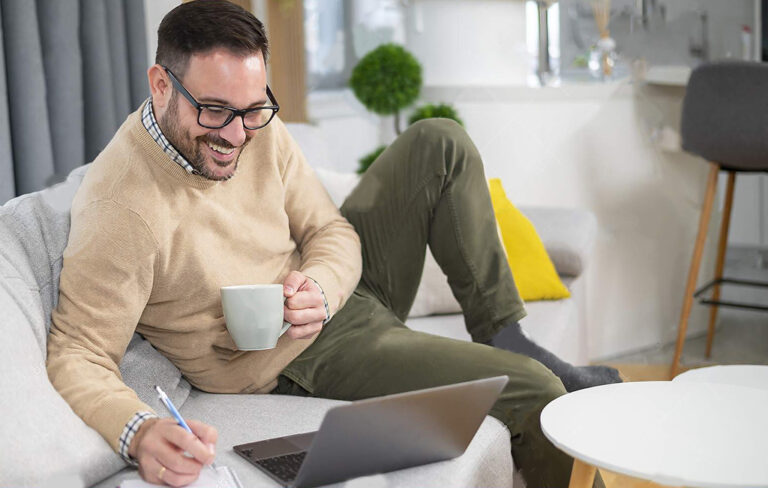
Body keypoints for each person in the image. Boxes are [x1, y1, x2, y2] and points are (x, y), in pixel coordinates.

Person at [46, 1, 616, 487]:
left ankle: (507, 333)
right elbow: (79, 352)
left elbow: (330, 231)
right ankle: (531, 369)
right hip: (300, 357)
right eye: (215, 111)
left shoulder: (252, 124)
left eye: (251, 110)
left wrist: (320, 285)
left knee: (438, 141)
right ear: (160, 83)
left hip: (335, 298)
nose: (237, 135)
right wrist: (139, 429)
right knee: (536, 393)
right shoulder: (122, 207)